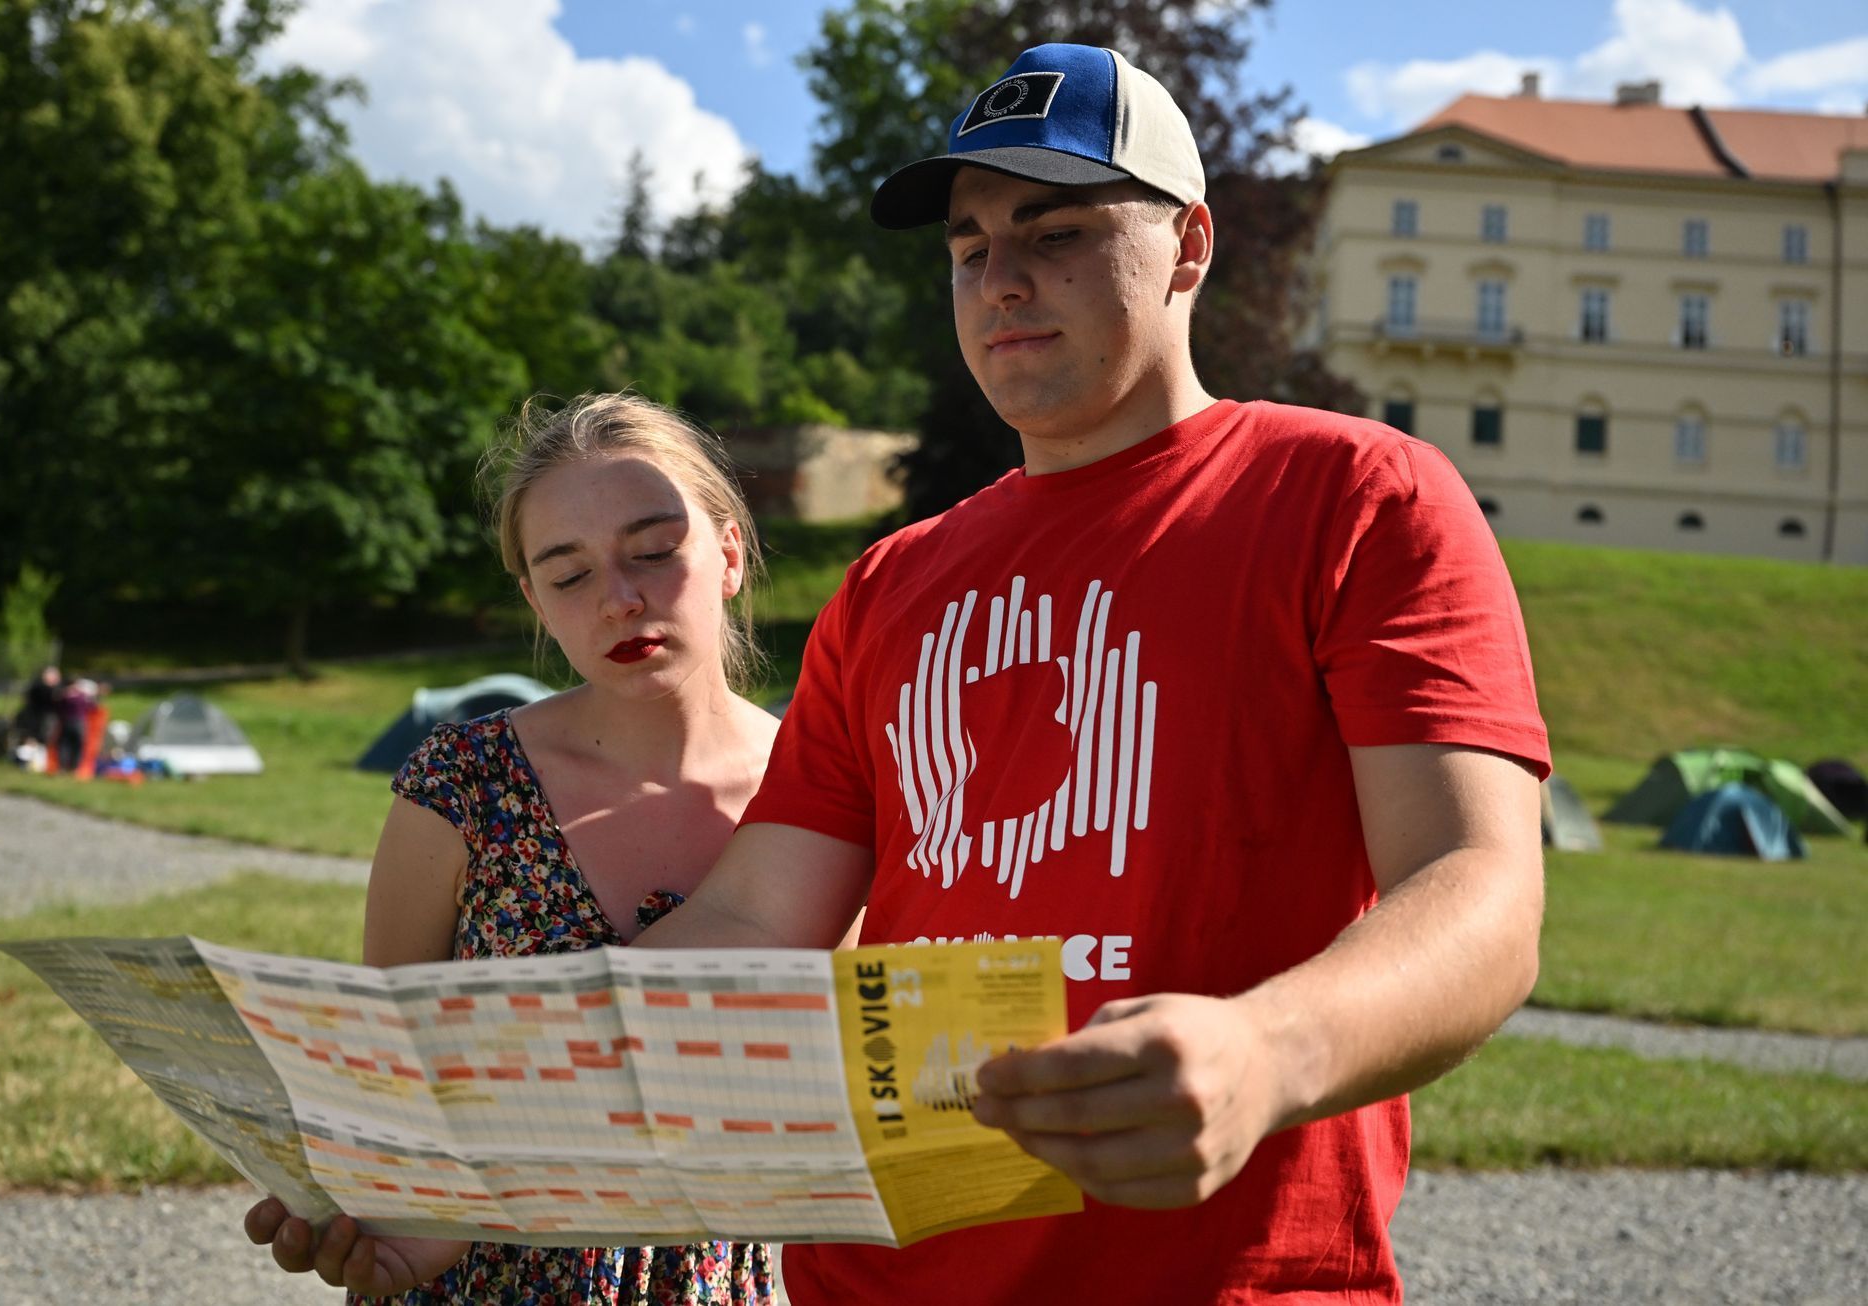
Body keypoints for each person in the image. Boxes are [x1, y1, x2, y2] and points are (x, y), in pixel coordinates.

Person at [636, 43, 1550, 1304]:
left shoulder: (1353, 496)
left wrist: (1260, 1051)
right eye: (967, 248)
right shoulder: (890, 581)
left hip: (1227, 1272)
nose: (999, 280)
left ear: (1188, 248)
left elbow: (1480, 892)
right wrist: (461, 1124)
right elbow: (751, 923)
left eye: (1054, 231)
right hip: (877, 1276)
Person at [244, 392, 786, 1303]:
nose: (620, 599)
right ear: (533, 598)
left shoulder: (827, 787)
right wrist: (376, 1204)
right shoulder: (464, 782)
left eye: (654, 551)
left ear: (728, 553)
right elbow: (394, 1074)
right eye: (568, 576)